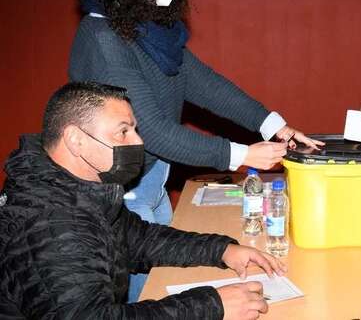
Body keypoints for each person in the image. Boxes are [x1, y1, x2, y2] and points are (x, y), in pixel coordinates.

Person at [68, 0, 322, 301]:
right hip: (122, 194)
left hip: (150, 180)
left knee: (163, 287)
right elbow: (153, 131)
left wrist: (274, 125)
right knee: (147, 298)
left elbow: (207, 85)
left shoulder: (147, 30)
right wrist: (242, 155)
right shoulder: (104, 39)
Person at [0, 82, 286, 319]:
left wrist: (221, 249)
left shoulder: (77, 189)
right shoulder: (50, 224)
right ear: (76, 140)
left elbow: (139, 239)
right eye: (123, 131)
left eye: (135, 129)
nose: (138, 142)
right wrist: (212, 306)